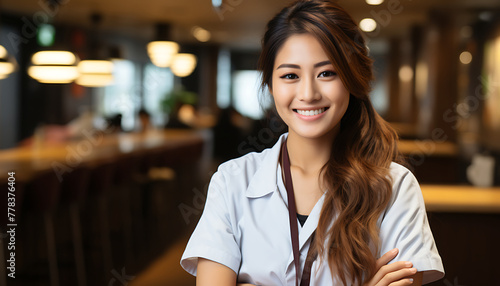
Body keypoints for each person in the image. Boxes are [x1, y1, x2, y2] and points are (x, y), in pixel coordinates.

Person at [181, 0, 444, 285]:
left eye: (326, 73)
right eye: (290, 75)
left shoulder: (395, 186)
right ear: (271, 84)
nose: (308, 93)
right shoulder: (232, 181)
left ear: (352, 79)